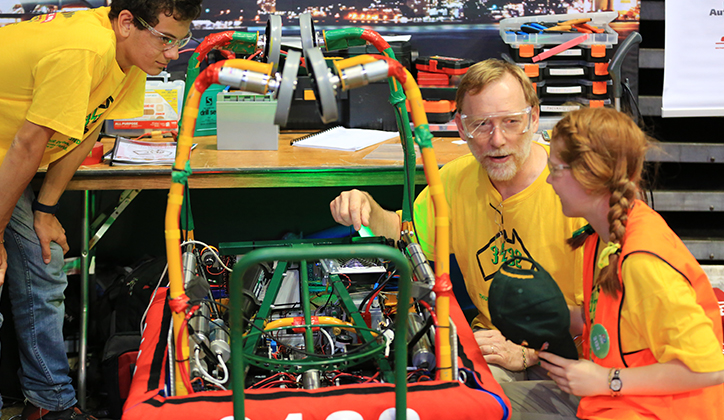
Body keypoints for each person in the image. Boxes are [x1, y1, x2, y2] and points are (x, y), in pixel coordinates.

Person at [0, 0, 201, 419]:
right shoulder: (85, 49)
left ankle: (49, 405)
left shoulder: (127, 60)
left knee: (45, 260)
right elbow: (28, 143)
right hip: (11, 153)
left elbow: (84, 129)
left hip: (10, 160)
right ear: (127, 22)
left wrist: (44, 208)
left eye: (181, 42)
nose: (172, 54)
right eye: (165, 39)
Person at [329, 59, 586, 382]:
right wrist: (366, 206)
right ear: (461, 127)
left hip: (570, 355)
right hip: (492, 345)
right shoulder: (455, 180)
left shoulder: (572, 190)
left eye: (511, 122)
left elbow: (607, 315)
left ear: (534, 119)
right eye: (481, 124)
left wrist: (530, 352)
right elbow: (405, 235)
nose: (497, 140)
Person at [524, 106, 724, 419]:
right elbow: (616, 323)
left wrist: (607, 380)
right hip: (617, 400)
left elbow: (710, 369)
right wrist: (554, 317)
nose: (549, 181)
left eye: (556, 169)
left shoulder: (643, 261)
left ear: (589, 175)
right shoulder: (601, 237)